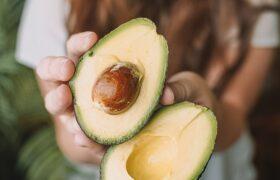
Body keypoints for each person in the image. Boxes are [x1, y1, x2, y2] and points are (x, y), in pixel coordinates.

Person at [16, 0, 279, 179]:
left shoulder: (256, 5)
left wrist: (211, 110)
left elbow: (236, 114)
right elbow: (69, 144)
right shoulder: (53, 4)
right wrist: (81, 130)